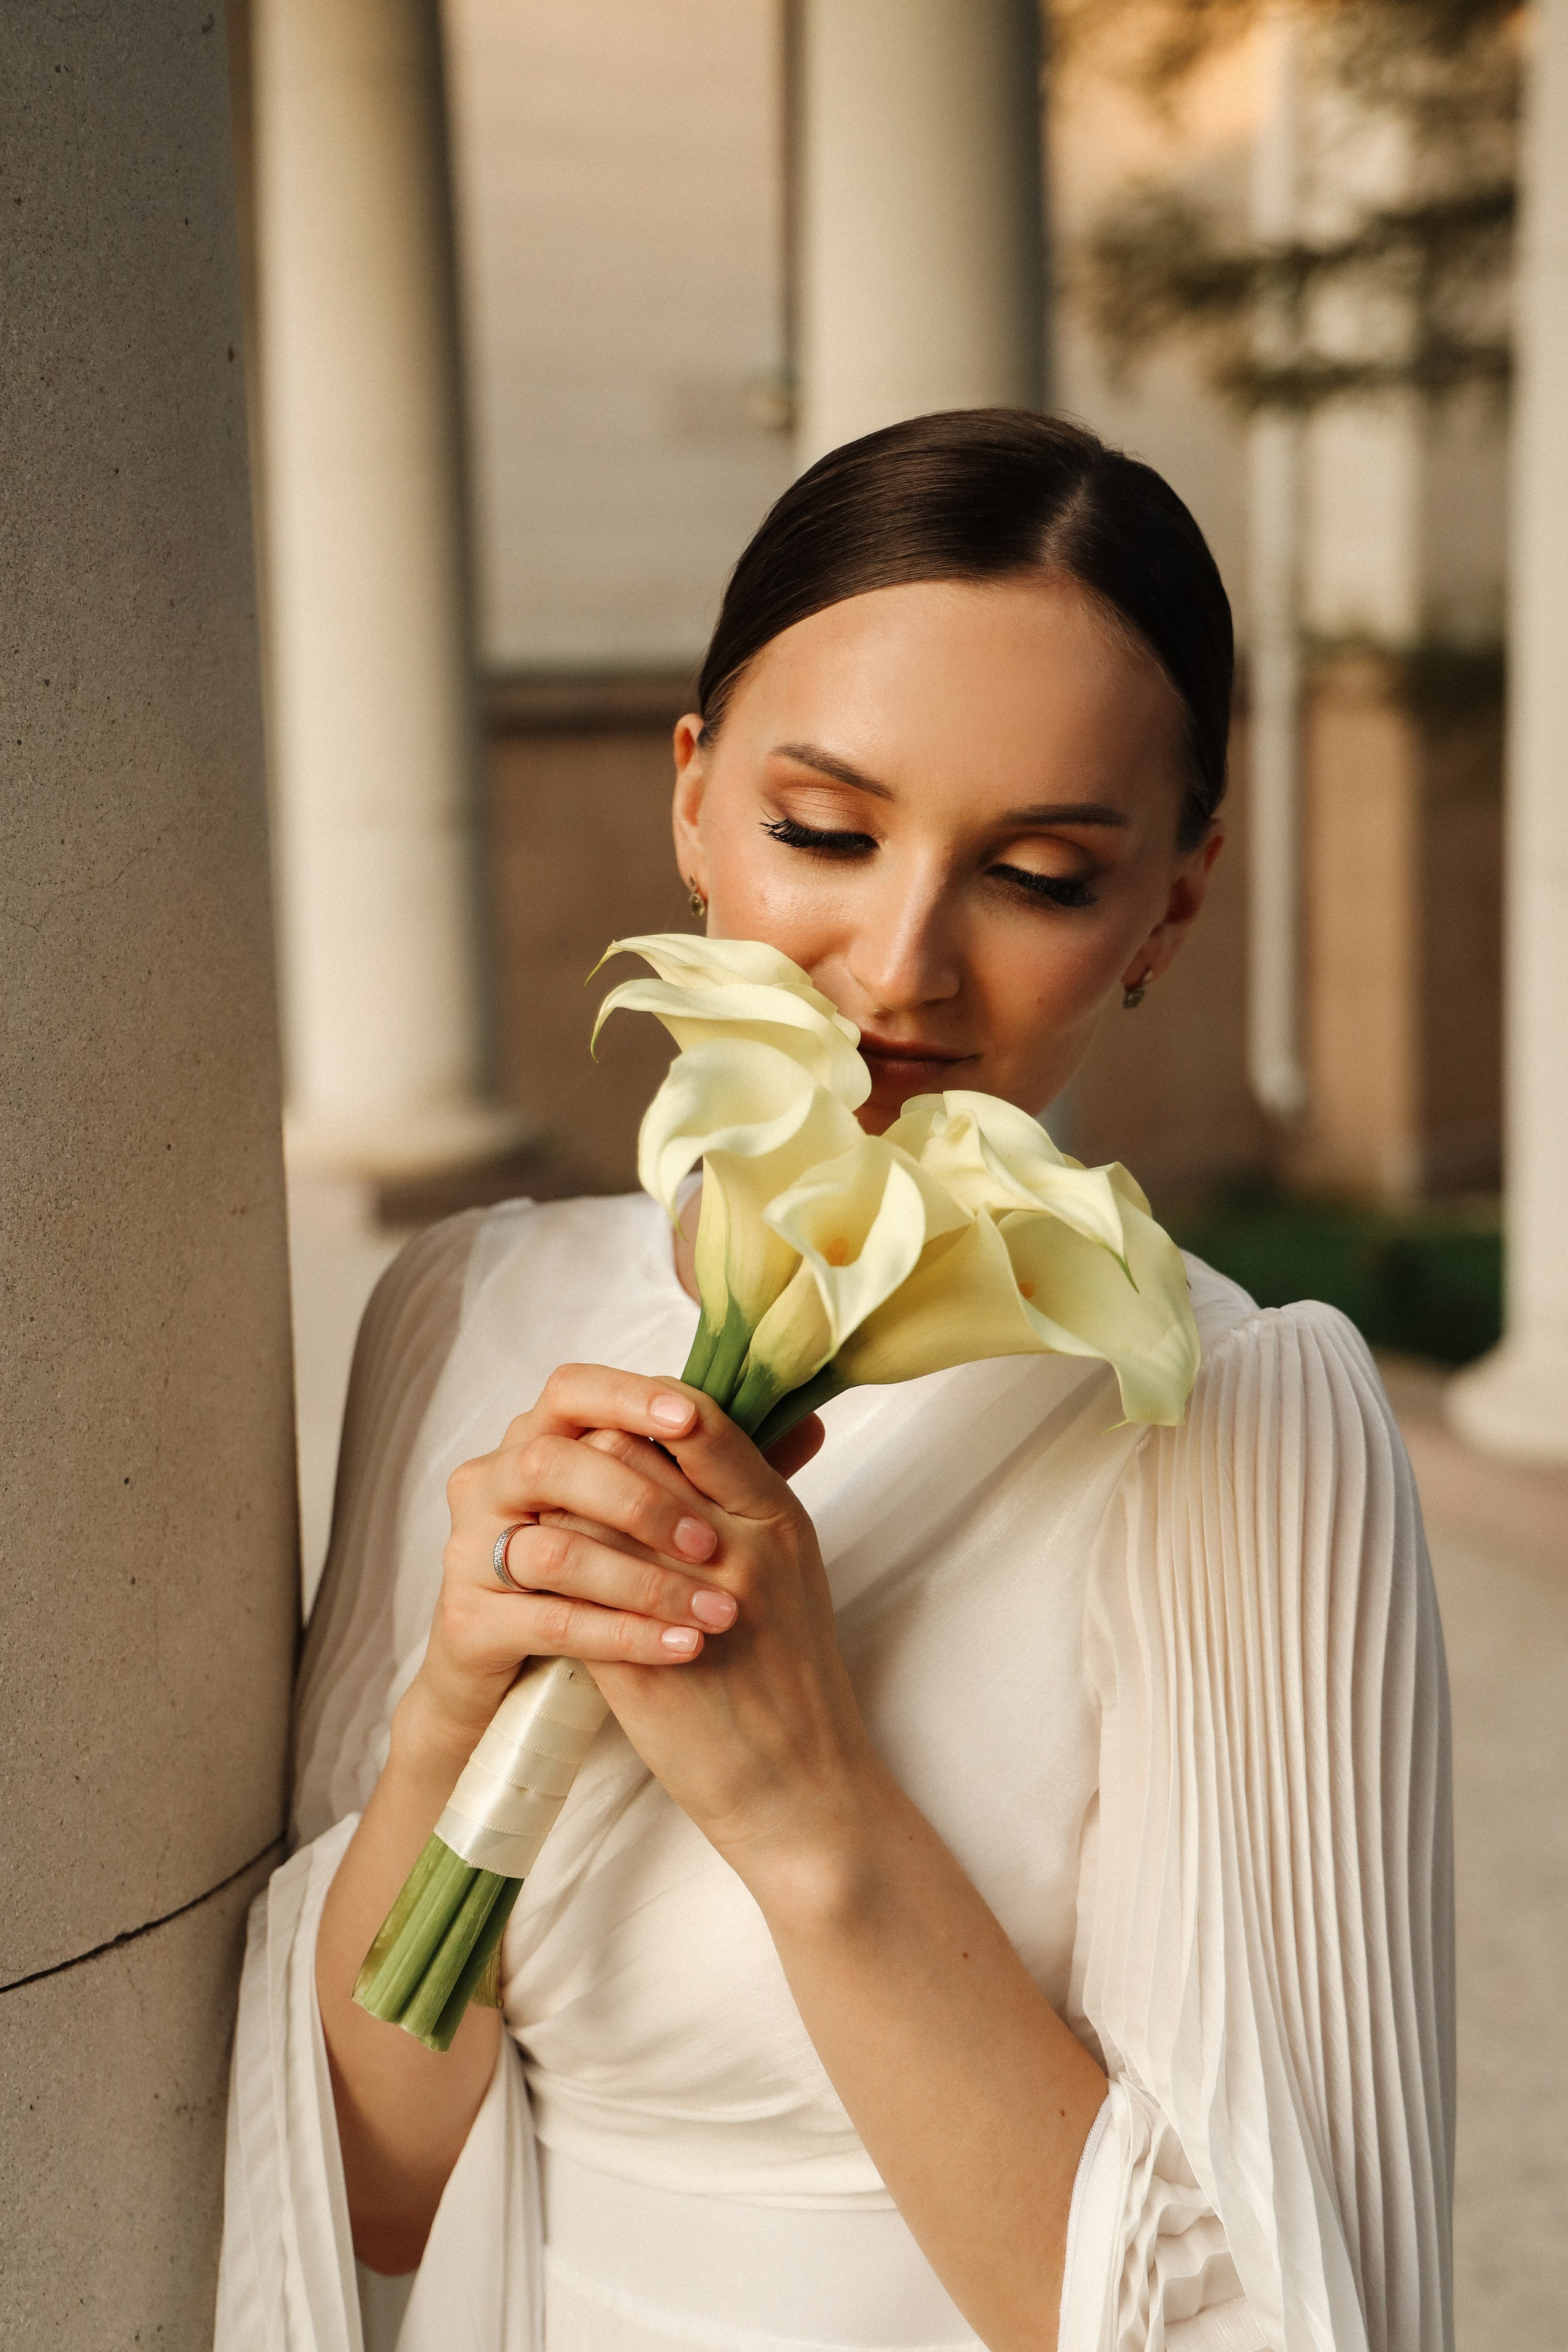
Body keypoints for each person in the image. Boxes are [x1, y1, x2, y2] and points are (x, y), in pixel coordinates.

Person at [217, 411, 1452, 2352]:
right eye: (823, 833)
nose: (898, 965)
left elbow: (1277, 2318)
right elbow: (364, 2202)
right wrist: (455, 1717)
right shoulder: (465, 1311)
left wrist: (809, 1805)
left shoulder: (1232, 1418)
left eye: (1039, 872)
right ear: (694, 802)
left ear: (1174, 903)